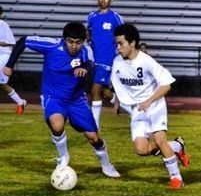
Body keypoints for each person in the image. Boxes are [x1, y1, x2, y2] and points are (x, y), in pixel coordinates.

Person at [2, 22, 120, 178]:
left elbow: (90, 63)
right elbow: (24, 40)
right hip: (53, 97)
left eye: (78, 42)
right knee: (57, 126)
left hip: (77, 100)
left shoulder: (86, 50)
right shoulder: (51, 46)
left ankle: (106, 164)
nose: (74, 46)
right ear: (64, 39)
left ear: (83, 42)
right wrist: (10, 64)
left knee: (93, 137)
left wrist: (85, 69)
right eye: (70, 41)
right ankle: (63, 157)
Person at [111, 23, 191, 190]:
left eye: (121, 44)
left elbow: (167, 84)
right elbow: (119, 84)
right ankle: (177, 146)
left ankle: (176, 179)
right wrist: (118, 102)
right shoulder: (117, 62)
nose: (118, 48)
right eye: (116, 44)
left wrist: (149, 101)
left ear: (132, 43)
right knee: (141, 150)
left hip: (154, 106)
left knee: (160, 141)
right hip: (137, 110)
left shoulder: (146, 61)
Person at [87, 0, 124, 129]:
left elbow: (123, 36)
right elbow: (89, 34)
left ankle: (94, 126)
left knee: (94, 90)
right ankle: (121, 104)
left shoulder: (115, 18)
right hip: (93, 59)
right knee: (103, 93)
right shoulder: (91, 17)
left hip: (107, 58)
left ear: (111, 0)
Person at [0, 6, 27, 114]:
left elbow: (11, 42)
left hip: (4, 55)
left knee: (1, 83)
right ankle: (20, 102)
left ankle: (20, 102)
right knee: (1, 84)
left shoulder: (3, 24)